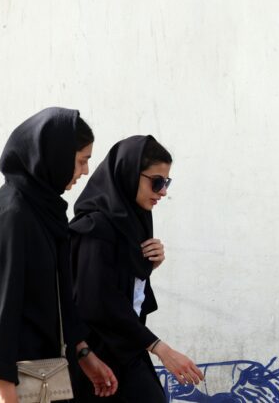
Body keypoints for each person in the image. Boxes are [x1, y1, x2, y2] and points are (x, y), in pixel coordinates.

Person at [0, 107, 118, 403]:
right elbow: (3, 308)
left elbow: (61, 295)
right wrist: (5, 392)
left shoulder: (45, 211)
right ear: (56, 155)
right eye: (81, 160)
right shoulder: (12, 215)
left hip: (44, 374)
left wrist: (83, 353)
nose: (85, 171)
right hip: (12, 381)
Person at [69, 135, 203, 402]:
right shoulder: (95, 228)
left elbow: (122, 290)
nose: (163, 192)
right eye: (157, 182)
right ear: (129, 174)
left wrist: (146, 266)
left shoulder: (131, 223)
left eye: (166, 183)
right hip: (96, 360)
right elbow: (96, 300)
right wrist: (160, 348)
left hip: (124, 350)